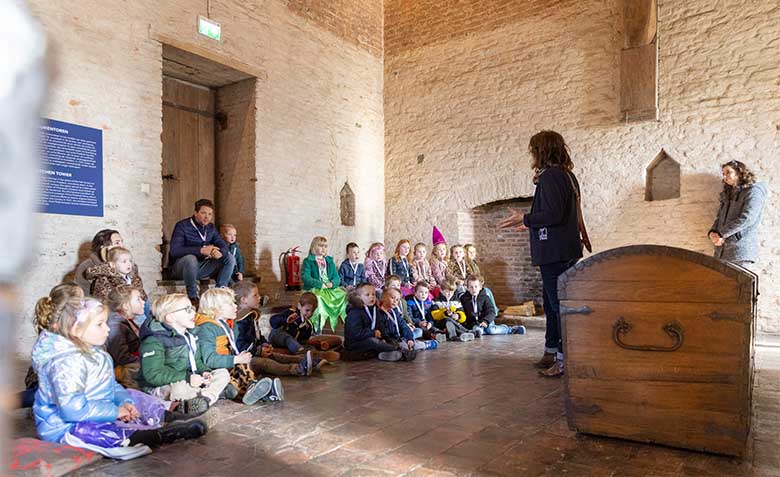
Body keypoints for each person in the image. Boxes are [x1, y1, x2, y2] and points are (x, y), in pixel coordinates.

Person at [32, 298, 207, 456]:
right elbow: (72, 410)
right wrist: (115, 412)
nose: (107, 329)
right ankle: (160, 435)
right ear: (76, 330)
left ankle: (168, 417)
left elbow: (111, 387)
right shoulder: (64, 364)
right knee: (92, 432)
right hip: (65, 426)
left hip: (97, 409)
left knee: (133, 395)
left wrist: (124, 402)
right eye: (100, 324)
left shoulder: (96, 353)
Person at [499, 130, 584, 378]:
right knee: (550, 303)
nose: (532, 155)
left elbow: (554, 215)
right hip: (564, 248)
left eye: (534, 150)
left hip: (554, 251)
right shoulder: (567, 175)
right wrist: (530, 222)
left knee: (557, 306)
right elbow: (556, 213)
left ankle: (562, 358)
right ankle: (551, 351)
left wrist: (525, 218)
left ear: (542, 151)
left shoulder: (551, 177)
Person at [137, 294, 230, 413]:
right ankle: (202, 398)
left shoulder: (191, 335)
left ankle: (204, 399)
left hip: (190, 379)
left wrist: (204, 372)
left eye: (192, 308)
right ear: (170, 317)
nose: (193, 313)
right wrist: (187, 378)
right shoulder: (153, 340)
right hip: (162, 385)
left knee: (222, 373)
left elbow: (196, 362)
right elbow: (154, 375)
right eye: (188, 310)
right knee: (179, 389)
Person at [194, 288, 283, 405]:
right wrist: (236, 359)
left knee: (243, 367)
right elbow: (209, 359)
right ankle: (258, 391)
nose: (235, 306)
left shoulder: (227, 325)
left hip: (226, 365)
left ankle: (257, 390)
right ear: (217, 309)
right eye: (230, 303)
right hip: (211, 370)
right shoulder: (207, 328)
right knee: (237, 370)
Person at [233, 281, 324, 376]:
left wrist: (265, 344)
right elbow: (240, 346)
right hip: (244, 359)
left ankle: (310, 361)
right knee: (265, 363)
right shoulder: (240, 321)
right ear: (244, 300)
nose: (259, 297)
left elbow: (258, 336)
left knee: (278, 356)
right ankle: (298, 369)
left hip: (254, 352)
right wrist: (259, 350)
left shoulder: (251, 316)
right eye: (255, 295)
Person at [18, 282, 85, 408]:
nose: (85, 304)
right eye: (81, 300)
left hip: (62, 375)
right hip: (41, 380)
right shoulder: (56, 327)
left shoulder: (71, 322)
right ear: (70, 306)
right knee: (42, 395)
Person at [168, 199, 235, 304]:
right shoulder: (182, 226)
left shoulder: (211, 228)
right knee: (191, 259)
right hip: (181, 269)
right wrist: (200, 250)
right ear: (195, 213)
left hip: (201, 268)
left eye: (209, 214)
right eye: (203, 213)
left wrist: (220, 252)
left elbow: (222, 244)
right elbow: (174, 251)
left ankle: (219, 293)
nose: (207, 217)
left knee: (229, 257)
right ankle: (193, 297)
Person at [708, 160, 767, 270]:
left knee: (741, 286)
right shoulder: (728, 193)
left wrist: (721, 233)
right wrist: (713, 232)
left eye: (728, 172)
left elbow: (748, 218)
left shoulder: (753, 191)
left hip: (740, 250)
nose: (725, 176)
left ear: (739, 172)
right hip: (722, 251)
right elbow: (719, 217)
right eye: (723, 174)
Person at [301, 236, 348, 332]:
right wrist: (319, 284)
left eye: (325, 246)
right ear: (314, 247)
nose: (323, 248)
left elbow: (337, 277)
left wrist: (333, 283)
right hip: (315, 288)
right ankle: (317, 327)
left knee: (344, 295)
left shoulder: (329, 261)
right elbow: (305, 277)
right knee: (318, 298)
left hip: (329, 288)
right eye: (321, 246)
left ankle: (341, 326)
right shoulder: (308, 261)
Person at [343, 284, 400, 361]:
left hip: (370, 339)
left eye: (373, 294)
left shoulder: (374, 309)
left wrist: (385, 337)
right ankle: (399, 351)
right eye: (367, 295)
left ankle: (386, 354)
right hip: (354, 343)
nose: (372, 297)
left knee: (387, 340)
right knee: (372, 341)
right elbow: (355, 333)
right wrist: (372, 333)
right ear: (358, 297)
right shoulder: (354, 312)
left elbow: (380, 325)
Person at [105, 286, 145, 389]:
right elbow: (121, 357)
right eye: (138, 299)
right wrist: (145, 361)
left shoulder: (127, 320)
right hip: (127, 372)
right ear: (126, 306)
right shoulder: (115, 324)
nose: (143, 302)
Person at [460, 275, 525, 336]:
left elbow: (491, 311)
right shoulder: (464, 299)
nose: (474, 289)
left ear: (480, 287)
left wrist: (486, 321)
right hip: (474, 323)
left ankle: (511, 330)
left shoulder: (485, 297)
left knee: (491, 330)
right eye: (471, 287)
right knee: (478, 331)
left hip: (486, 321)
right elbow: (463, 311)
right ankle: (476, 333)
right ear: (467, 288)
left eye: (476, 287)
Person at [74, 229, 124, 294]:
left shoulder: (126, 264)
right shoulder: (86, 266)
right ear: (104, 247)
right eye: (117, 243)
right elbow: (82, 296)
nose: (122, 246)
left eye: (122, 242)